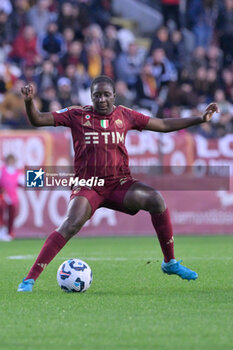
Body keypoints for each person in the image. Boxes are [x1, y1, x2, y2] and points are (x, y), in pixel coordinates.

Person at [17, 75, 219, 292]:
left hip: (119, 183)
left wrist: (200, 119)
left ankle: (170, 263)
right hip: (89, 184)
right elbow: (38, 120)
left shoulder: (125, 114)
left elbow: (161, 124)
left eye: (106, 95)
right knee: (70, 223)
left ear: (114, 95)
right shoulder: (77, 115)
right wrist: (29, 102)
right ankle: (29, 280)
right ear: (91, 96)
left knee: (156, 200)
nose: (102, 99)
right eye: (97, 95)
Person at [0, 154, 24, 241]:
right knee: (1, 212)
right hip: (3, 197)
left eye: (12, 160)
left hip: (13, 198)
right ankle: (2, 230)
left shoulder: (17, 173)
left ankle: (9, 232)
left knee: (11, 216)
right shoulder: (2, 171)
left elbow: (24, 182)